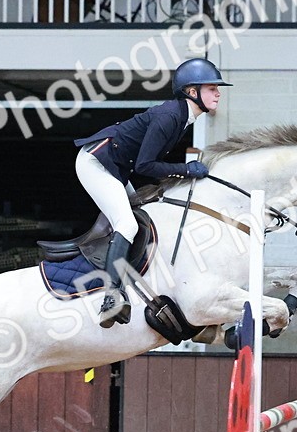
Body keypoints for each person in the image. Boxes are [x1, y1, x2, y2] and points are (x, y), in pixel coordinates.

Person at [73, 57, 231, 328]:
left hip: (116, 166)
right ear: (192, 92)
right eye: (211, 88)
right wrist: (186, 169)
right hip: (95, 163)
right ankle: (111, 297)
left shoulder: (181, 116)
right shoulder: (170, 116)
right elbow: (146, 165)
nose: (218, 92)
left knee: (143, 217)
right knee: (127, 223)